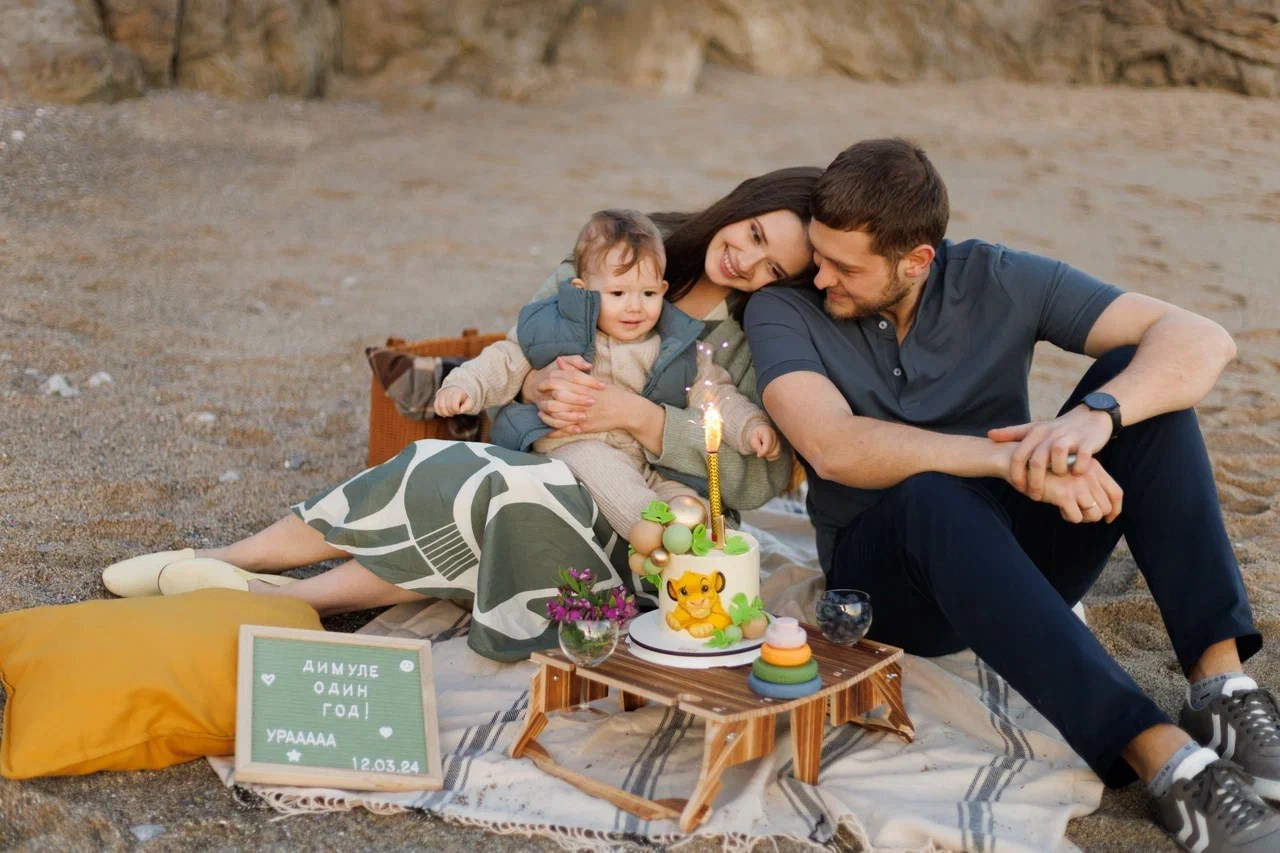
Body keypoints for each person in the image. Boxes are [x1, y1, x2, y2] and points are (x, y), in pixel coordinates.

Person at [746, 138, 1280, 851]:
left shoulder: (996, 277)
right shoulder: (784, 310)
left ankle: (1222, 691)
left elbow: (1201, 337)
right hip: (890, 584)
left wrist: (1093, 419)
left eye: (844, 266)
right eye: (818, 254)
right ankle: (1164, 757)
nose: (821, 277)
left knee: (1140, 387)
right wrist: (1016, 459)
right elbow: (833, 446)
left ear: (917, 260)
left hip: (1019, 561)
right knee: (931, 496)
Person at [101, 166, 820, 662]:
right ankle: (232, 563)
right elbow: (525, 342)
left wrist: (642, 417)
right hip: (547, 451)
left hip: (650, 531)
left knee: (500, 495)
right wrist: (537, 384)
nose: (749, 265)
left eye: (775, 269)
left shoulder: (756, 332)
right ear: (743, 204)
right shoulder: (631, 243)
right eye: (754, 235)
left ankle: (288, 596)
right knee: (447, 468)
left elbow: (761, 476)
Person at [433, 208, 780, 538]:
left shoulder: (674, 344)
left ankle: (690, 538)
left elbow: (715, 393)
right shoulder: (559, 331)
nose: (634, 306)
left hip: (645, 459)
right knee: (610, 476)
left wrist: (749, 426)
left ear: (662, 291)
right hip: (577, 444)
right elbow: (506, 359)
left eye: (647, 293)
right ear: (585, 291)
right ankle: (650, 532)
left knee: (688, 501)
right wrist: (466, 384)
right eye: (617, 293)